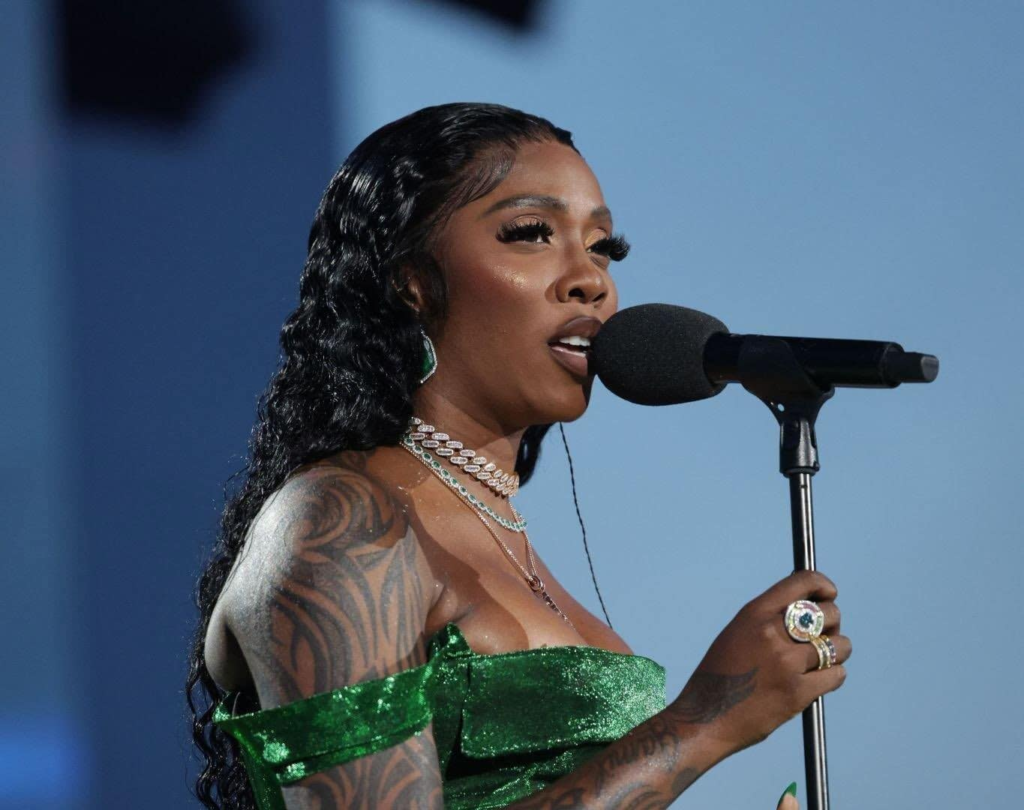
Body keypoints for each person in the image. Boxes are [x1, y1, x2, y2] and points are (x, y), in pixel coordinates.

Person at [186, 102, 850, 810]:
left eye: (603, 246)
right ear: (412, 281)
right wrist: (704, 723)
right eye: (531, 233)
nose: (591, 279)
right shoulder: (339, 520)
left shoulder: (500, 530)